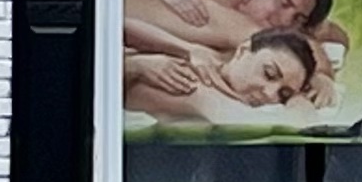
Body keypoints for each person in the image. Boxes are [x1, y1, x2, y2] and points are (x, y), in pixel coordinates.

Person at [125, 0, 349, 80]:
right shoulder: (231, 19)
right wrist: (322, 78)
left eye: (298, 18)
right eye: (283, 3)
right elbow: (315, 52)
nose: (284, 21)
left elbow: (334, 33)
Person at [123, 27, 332, 126]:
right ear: (242, 51)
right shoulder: (190, 80)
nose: (270, 94)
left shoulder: (212, 67)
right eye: (269, 74)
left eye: (282, 94)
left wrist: (300, 94)